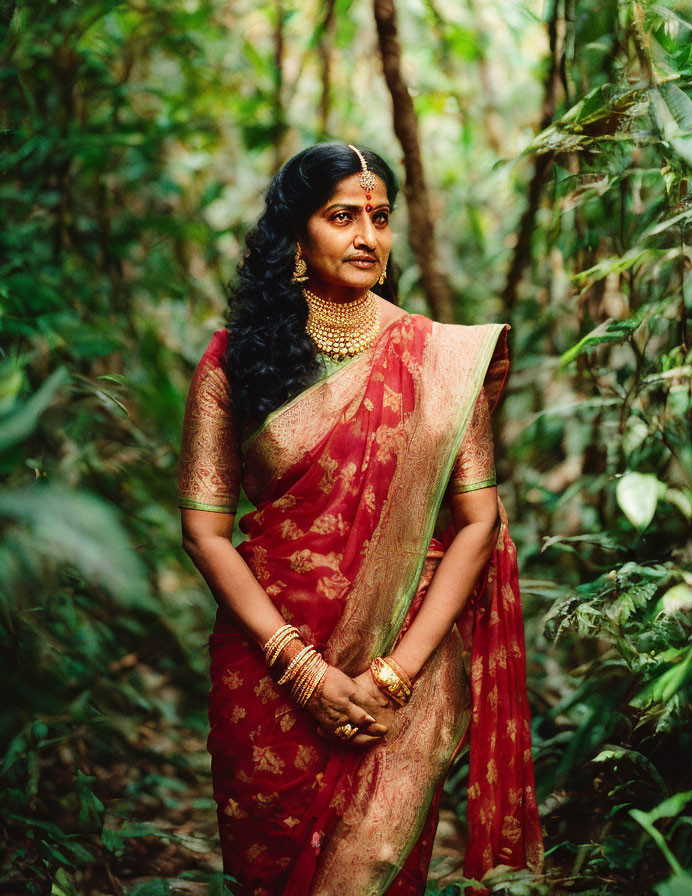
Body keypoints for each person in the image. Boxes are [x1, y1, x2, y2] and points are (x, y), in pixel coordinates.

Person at [177, 141, 543, 896]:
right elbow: (204, 530)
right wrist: (300, 666)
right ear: (297, 235)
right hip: (265, 664)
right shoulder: (233, 361)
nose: (369, 236)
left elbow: (479, 521)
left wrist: (392, 675)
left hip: (404, 665)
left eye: (381, 217)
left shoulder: (439, 360)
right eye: (343, 216)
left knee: (374, 869)